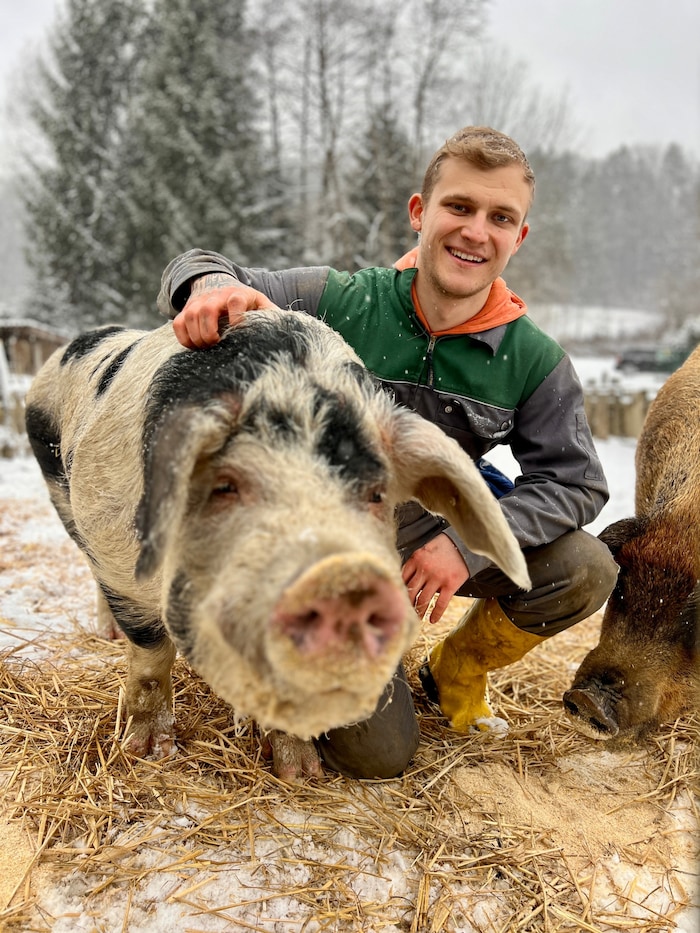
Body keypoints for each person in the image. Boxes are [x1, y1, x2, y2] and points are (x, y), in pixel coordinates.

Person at [156, 126, 618, 779]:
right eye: (458, 207)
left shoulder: (534, 360)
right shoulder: (339, 300)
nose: (475, 231)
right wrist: (209, 289)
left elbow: (576, 482)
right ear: (418, 213)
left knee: (585, 566)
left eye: (500, 217)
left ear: (520, 236)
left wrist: (465, 542)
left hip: (431, 532)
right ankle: (316, 646)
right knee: (379, 758)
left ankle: (453, 670)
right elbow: (200, 261)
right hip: (327, 540)